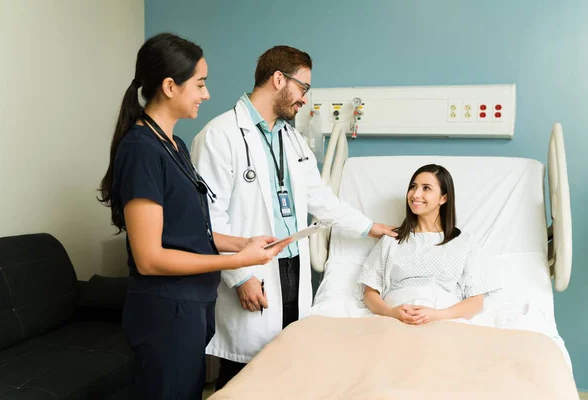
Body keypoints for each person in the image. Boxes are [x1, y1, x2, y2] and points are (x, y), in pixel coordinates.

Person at [191, 45, 397, 389]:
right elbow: (208, 219)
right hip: (252, 269)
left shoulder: (293, 139)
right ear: (278, 79)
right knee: (242, 377)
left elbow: (320, 199)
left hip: (291, 268)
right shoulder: (220, 134)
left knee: (284, 370)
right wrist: (240, 276)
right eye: (303, 88)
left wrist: (370, 227)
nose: (304, 99)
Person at [97, 33, 288, 399]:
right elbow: (150, 259)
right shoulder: (141, 151)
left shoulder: (174, 145)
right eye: (200, 84)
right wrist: (241, 260)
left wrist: (242, 243)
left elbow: (190, 230)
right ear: (170, 86)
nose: (206, 94)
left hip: (192, 307)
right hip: (165, 311)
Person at [355, 164, 501, 325]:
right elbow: (369, 293)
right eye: (413, 187)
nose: (416, 194)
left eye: (426, 188)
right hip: (396, 319)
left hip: (446, 320)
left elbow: (476, 301)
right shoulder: (391, 240)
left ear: (443, 198)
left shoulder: (465, 242)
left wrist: (438, 315)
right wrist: (391, 313)